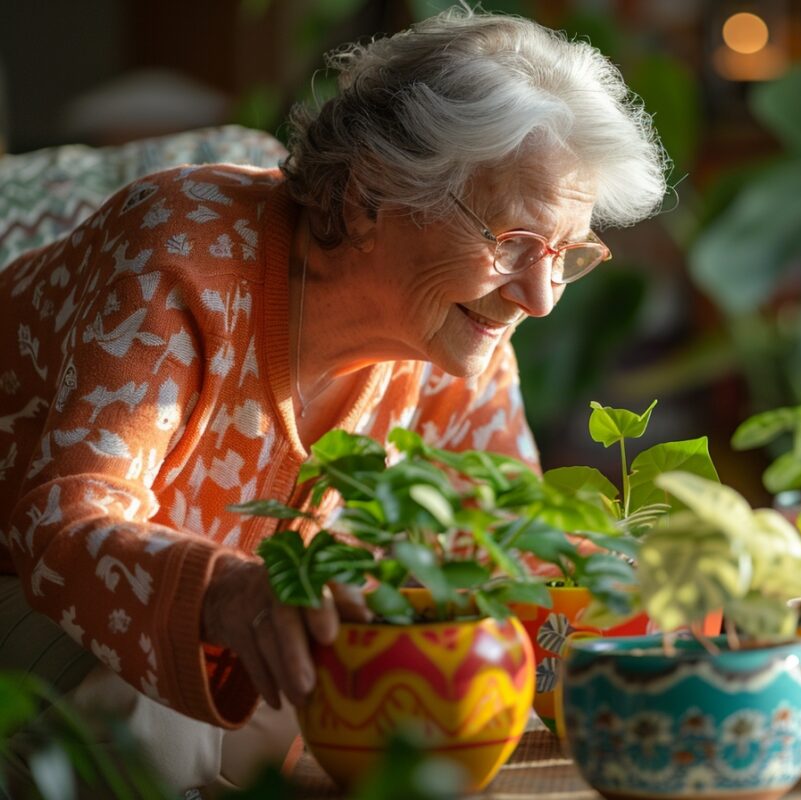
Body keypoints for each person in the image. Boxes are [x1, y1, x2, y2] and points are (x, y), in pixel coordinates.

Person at [0, 7, 667, 793]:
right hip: (33, 598)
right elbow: (63, 519)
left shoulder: (463, 342)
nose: (542, 297)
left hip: (188, 661)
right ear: (366, 199)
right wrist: (230, 592)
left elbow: (498, 547)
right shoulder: (180, 254)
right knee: (173, 710)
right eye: (513, 243)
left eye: (567, 254)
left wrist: (654, 585)